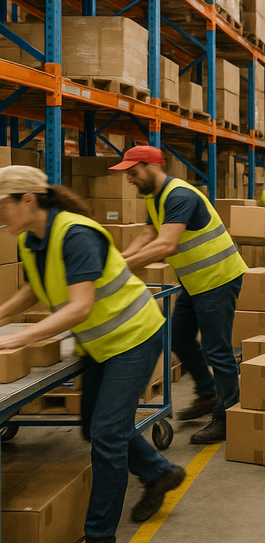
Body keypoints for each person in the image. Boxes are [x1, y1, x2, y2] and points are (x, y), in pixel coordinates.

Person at [0, 166, 184, 542]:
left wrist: (20, 339)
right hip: (101, 342)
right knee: (93, 427)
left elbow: (80, 307)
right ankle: (159, 472)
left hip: (133, 336)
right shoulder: (30, 237)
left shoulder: (75, 234)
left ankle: (100, 535)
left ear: (28, 200)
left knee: (107, 434)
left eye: (2, 205)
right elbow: (33, 290)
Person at [114, 146, 248, 444]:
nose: (130, 180)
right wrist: (119, 260)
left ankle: (227, 415)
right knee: (178, 337)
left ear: (151, 167)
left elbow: (165, 246)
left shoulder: (179, 196)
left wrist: (119, 270)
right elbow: (149, 234)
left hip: (218, 278)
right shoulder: (155, 197)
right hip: (195, 281)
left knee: (218, 350)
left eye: (133, 173)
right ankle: (207, 391)